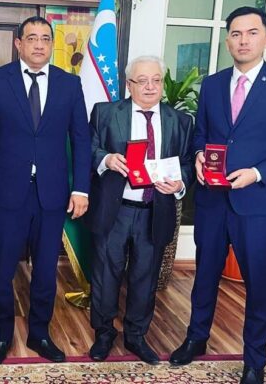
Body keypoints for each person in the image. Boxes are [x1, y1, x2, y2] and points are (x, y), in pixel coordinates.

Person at [170, 7, 266, 384]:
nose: (243, 40)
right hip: (213, 201)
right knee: (205, 275)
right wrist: (198, 156)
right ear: (227, 40)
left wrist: (258, 173)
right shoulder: (213, 84)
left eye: (251, 32)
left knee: (259, 282)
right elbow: (202, 134)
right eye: (235, 33)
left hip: (259, 203)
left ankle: (255, 359)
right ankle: (196, 338)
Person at [0, 16, 91, 365]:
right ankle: (1, 335)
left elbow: (81, 141)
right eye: (32, 38)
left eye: (45, 38)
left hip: (52, 195)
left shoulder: (70, 85)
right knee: (2, 269)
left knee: (45, 271)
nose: (39, 44)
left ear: (51, 44)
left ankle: (40, 332)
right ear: (18, 44)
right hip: (6, 193)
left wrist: (81, 189)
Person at [86, 56, 194, 364]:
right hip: (115, 209)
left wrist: (180, 183)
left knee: (145, 277)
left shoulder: (180, 121)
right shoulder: (106, 113)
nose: (150, 87)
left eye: (156, 80)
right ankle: (104, 332)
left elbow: (187, 163)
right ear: (129, 84)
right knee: (106, 275)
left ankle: (136, 335)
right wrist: (106, 159)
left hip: (154, 209)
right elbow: (88, 148)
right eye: (142, 80)